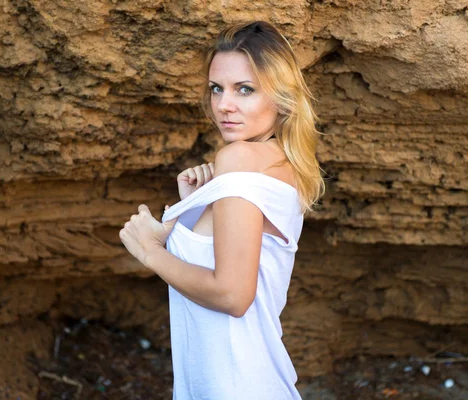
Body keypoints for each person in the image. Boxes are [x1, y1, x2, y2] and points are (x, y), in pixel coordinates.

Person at [119, 20, 324, 400]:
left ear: (281, 98)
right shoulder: (281, 163)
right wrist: (192, 209)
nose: (223, 105)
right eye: (217, 88)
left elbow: (232, 294)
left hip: (235, 385)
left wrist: (149, 252)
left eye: (244, 90)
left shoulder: (239, 157)